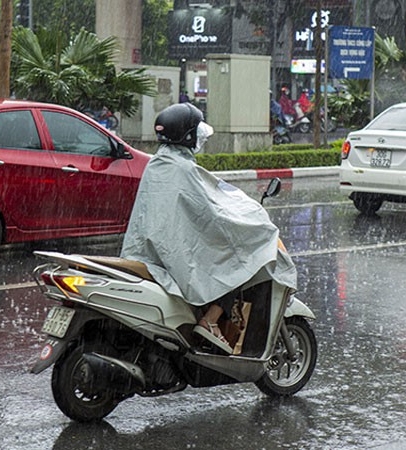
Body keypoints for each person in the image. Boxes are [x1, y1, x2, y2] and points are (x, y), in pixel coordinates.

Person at [120, 103, 297, 354]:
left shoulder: (159, 164)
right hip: (171, 253)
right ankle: (211, 320)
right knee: (238, 260)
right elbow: (211, 214)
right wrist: (247, 220)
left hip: (150, 249)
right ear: (189, 135)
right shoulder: (183, 168)